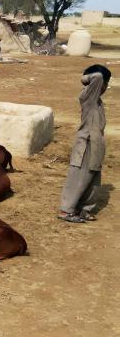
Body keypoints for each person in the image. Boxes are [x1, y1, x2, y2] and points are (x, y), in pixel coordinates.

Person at [58, 64, 111, 223]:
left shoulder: (98, 101)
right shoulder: (88, 96)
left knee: (93, 178)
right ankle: (65, 210)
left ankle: (84, 209)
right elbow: (98, 77)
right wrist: (86, 78)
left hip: (96, 144)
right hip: (86, 143)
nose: (106, 87)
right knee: (79, 176)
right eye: (105, 84)